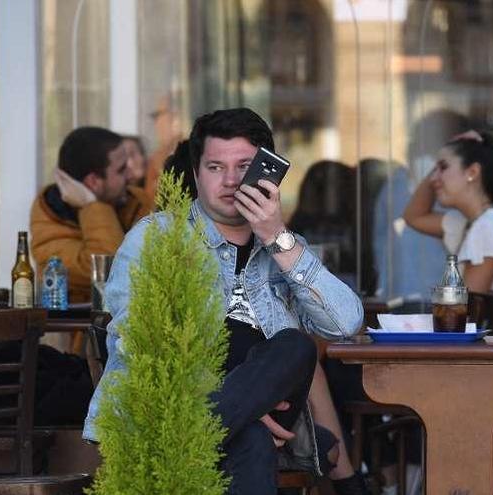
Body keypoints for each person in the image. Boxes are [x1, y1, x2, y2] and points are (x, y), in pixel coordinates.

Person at [83, 108, 365, 495]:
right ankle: (207, 426)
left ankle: (198, 429)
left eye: (244, 166)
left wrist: (276, 235)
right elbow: (139, 342)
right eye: (216, 167)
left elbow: (345, 323)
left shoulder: (283, 248)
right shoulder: (157, 237)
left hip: (200, 429)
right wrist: (238, 410)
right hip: (172, 410)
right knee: (250, 439)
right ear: (197, 174)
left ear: (268, 173)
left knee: (296, 347)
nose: (231, 180)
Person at [404, 130, 493, 329]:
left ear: (472, 172)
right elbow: (413, 216)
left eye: (443, 167)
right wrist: (447, 155)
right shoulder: (479, 223)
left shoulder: (487, 227)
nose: (434, 178)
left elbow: (465, 317)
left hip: (483, 355)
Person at [30, 126, 153, 303]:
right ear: (93, 181)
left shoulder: (137, 201)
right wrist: (94, 206)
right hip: (78, 328)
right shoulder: (49, 215)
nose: (130, 175)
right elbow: (108, 271)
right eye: (121, 169)